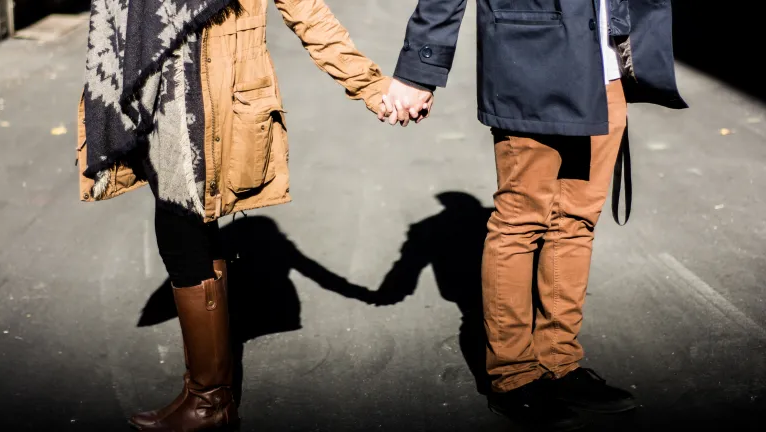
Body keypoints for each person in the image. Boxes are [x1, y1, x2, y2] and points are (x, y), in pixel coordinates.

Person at [78, 0, 388, 430]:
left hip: (208, 109)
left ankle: (210, 401)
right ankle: (206, 393)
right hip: (156, 99)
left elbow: (308, 11)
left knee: (180, 232)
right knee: (190, 233)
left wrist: (370, 86)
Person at [379, 0, 687, 430]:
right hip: (531, 59)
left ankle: (559, 362)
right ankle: (513, 375)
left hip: (608, 66)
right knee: (521, 221)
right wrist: (418, 69)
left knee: (576, 221)